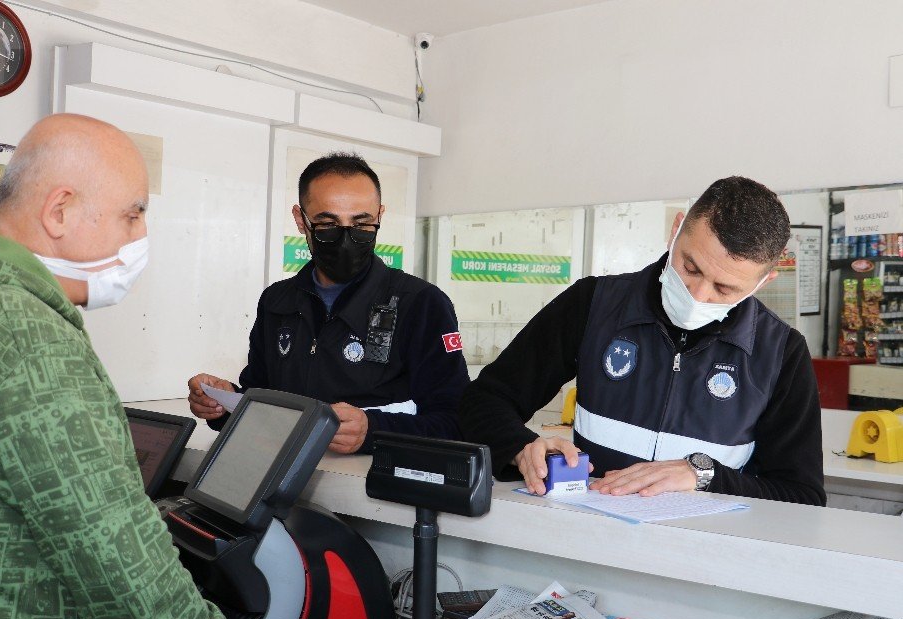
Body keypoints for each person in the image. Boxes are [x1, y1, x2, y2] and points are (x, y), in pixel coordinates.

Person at [0, 114, 295, 619]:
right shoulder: (26, 339)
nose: (138, 237)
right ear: (59, 212)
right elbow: (113, 554)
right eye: (132, 214)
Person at [460, 176, 825, 505]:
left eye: (724, 288)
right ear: (677, 229)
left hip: (704, 557)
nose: (697, 294)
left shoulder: (781, 352)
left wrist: (703, 475)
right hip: (586, 538)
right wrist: (521, 448)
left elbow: (801, 496)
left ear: (765, 282)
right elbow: (485, 401)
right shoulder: (592, 304)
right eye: (691, 267)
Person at [188, 153, 469, 453]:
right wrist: (225, 402)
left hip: (369, 488)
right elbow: (262, 401)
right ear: (301, 220)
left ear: (379, 217)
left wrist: (372, 431)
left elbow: (456, 421)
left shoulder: (422, 304)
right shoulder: (277, 301)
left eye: (361, 224)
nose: (346, 239)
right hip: (281, 475)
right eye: (327, 224)